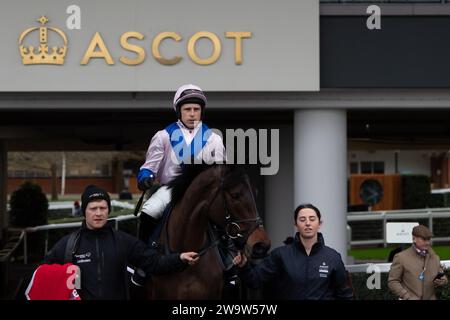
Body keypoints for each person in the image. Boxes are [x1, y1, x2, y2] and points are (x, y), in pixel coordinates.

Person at [43, 185, 199, 300]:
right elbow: (43, 276)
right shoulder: (67, 245)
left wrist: (179, 259)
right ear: (84, 211)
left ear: (108, 210)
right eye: (93, 208)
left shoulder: (123, 241)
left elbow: (154, 263)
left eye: (103, 208)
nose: (98, 213)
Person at [137, 84, 226, 240]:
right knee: (149, 210)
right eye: (187, 109)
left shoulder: (214, 138)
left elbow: (221, 170)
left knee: (226, 213)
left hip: (204, 190)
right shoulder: (163, 136)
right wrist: (145, 178)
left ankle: (231, 255)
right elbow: (149, 168)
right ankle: (142, 255)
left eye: (196, 109)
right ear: (179, 111)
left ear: (201, 111)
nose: (192, 114)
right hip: (171, 189)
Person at [233, 203, 353, 300]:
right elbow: (255, 280)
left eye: (312, 219)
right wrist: (243, 266)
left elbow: (345, 295)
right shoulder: (280, 255)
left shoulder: (332, 257)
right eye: (302, 219)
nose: (307, 223)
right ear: (296, 224)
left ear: (319, 224)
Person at [388, 224, 448, 300]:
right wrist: (406, 296)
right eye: (424, 239)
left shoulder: (435, 258)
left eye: (428, 239)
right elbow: (393, 281)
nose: (427, 243)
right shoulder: (400, 257)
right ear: (414, 239)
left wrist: (443, 281)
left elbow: (442, 275)